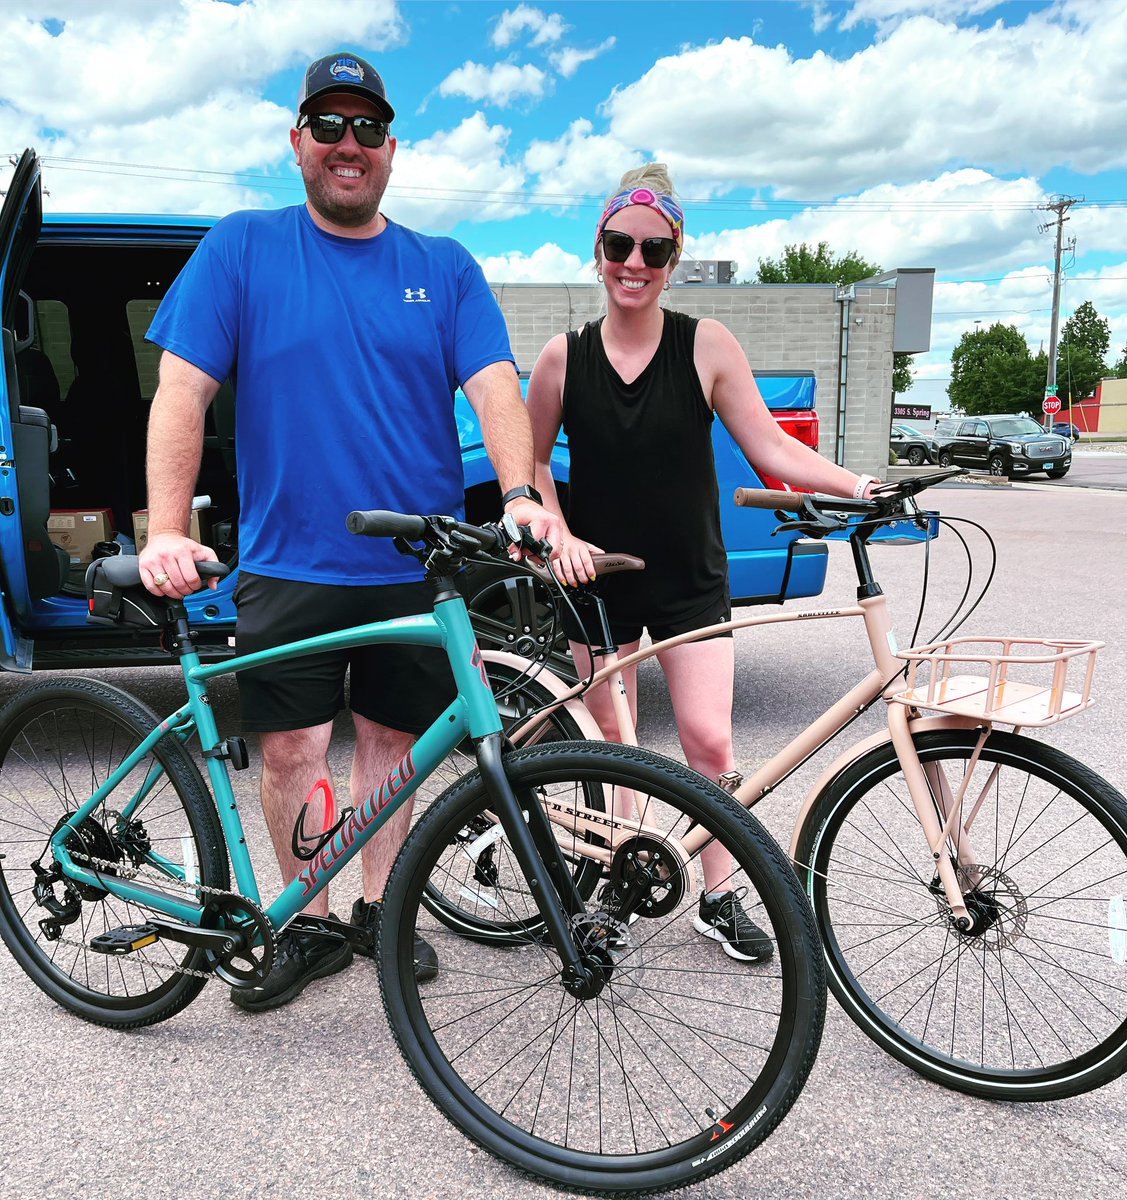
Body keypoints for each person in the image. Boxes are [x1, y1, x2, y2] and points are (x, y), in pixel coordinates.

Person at [141, 51, 563, 1011]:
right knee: (293, 753)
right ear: (297, 143)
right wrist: (167, 528)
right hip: (290, 563)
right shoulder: (244, 247)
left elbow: (495, 386)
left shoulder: (442, 266)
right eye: (328, 126)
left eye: (367, 128)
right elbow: (182, 391)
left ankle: (380, 911)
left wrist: (522, 495)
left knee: (392, 747)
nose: (348, 145)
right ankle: (306, 920)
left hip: (415, 566)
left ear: (389, 149)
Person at [526, 163, 881, 963]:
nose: (635, 263)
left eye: (655, 250)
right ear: (598, 248)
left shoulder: (704, 343)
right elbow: (533, 462)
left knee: (709, 746)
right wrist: (558, 531)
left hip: (690, 576)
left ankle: (716, 895)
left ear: (673, 259)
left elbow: (770, 446)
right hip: (598, 580)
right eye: (620, 244)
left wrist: (859, 484)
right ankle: (613, 890)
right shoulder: (562, 358)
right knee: (614, 746)